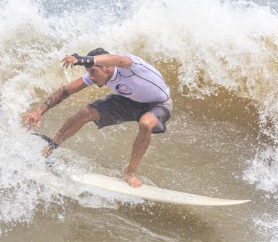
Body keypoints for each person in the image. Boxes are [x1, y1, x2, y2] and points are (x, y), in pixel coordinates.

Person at [21, 48, 172, 188]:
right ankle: (49, 148)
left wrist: (82, 59)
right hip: (129, 101)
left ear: (107, 66)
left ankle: (130, 172)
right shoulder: (95, 75)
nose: (91, 77)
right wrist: (39, 111)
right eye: (90, 73)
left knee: (145, 123)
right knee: (85, 113)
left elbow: (119, 60)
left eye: (93, 71)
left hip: (158, 104)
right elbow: (65, 91)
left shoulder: (130, 66)